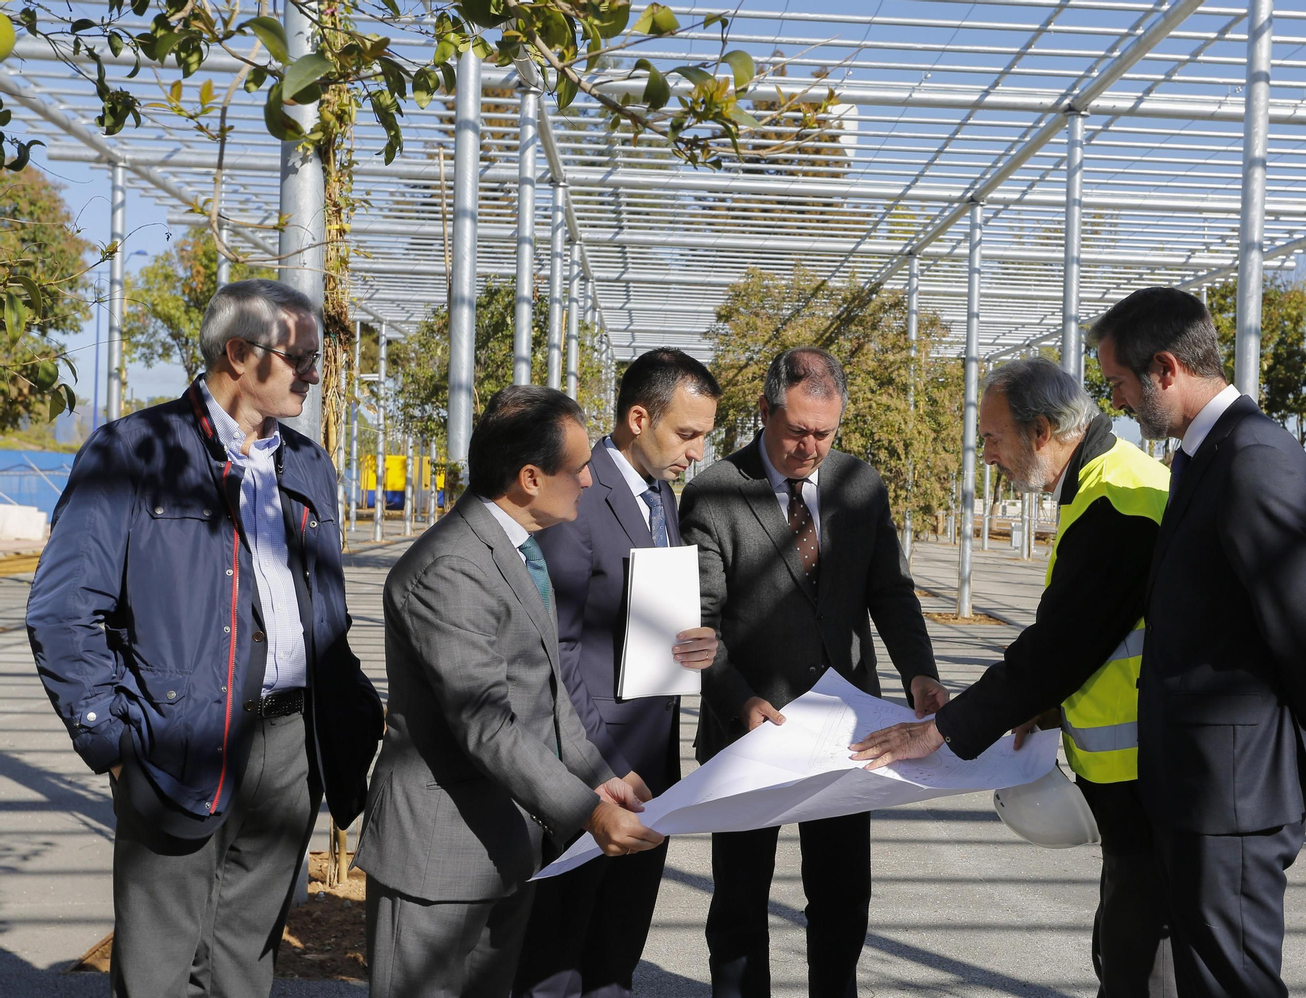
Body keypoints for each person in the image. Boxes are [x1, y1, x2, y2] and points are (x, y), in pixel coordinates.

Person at [27, 279, 384, 997]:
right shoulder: (135, 451)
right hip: (174, 743)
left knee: (245, 960)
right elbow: (64, 611)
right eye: (299, 358)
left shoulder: (307, 463)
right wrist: (113, 743)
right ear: (239, 354)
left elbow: (326, 612)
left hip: (291, 748)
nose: (314, 374)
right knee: (158, 968)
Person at [848, 357, 1177, 998]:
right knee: (1124, 950)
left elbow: (1060, 644)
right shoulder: (1102, 482)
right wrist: (1047, 703)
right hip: (1135, 778)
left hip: (1150, 777)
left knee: (1145, 968)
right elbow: (1095, 634)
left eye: (993, 437)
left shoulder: (1118, 497)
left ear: (1041, 431)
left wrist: (942, 729)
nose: (988, 455)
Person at [1091, 286, 1306, 998]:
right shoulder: (1209, 454)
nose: (1116, 401)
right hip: (1202, 789)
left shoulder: (1253, 457)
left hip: (1232, 794)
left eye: (1119, 383)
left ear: (1166, 368)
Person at [355, 386, 662, 998]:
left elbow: (547, 692)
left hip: (505, 847)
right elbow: (487, 723)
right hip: (437, 858)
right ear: (529, 478)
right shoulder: (452, 568)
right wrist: (587, 811)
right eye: (578, 469)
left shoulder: (517, 550)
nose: (588, 481)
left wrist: (602, 776)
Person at [679, 346, 948, 998]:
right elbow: (697, 624)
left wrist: (920, 672)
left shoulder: (859, 484)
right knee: (740, 904)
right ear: (765, 411)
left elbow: (891, 592)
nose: (810, 447)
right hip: (750, 731)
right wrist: (739, 700)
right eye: (797, 430)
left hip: (846, 733)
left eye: (824, 433)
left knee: (842, 899)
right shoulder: (715, 491)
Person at [515, 348, 724, 998]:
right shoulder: (577, 493)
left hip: (651, 763)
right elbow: (555, 649)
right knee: (559, 955)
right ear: (639, 418)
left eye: (703, 437)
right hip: (592, 771)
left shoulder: (661, 495)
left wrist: (693, 643)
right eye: (687, 434)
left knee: (617, 948)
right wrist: (599, 768)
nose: (696, 452)